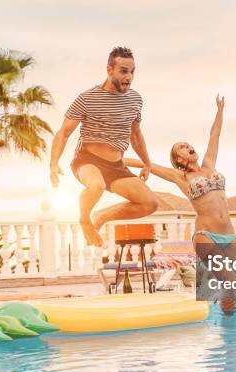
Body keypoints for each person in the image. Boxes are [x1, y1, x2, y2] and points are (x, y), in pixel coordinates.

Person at [125, 95, 236, 313]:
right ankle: (223, 316)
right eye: (182, 147)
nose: (187, 145)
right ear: (179, 160)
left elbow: (214, 135)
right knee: (230, 281)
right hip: (206, 236)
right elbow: (145, 163)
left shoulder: (209, 164)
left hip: (229, 235)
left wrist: (220, 109)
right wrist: (115, 162)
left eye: (187, 144)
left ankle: (226, 320)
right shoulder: (180, 177)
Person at [50, 47, 158, 247]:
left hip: (116, 166)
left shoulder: (135, 99)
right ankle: (85, 219)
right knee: (96, 186)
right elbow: (63, 132)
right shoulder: (87, 98)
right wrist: (53, 164)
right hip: (87, 160)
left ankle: (102, 217)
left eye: (132, 72)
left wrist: (147, 163)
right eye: (123, 71)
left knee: (150, 203)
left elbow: (135, 134)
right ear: (109, 69)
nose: (129, 77)